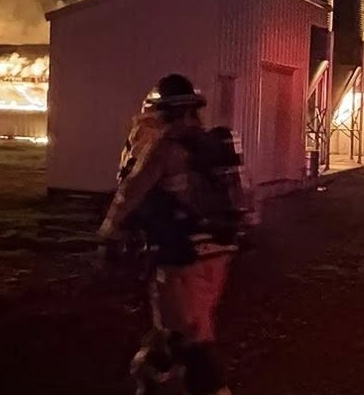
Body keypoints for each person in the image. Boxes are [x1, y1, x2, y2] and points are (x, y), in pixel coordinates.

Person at [99, 73, 252, 395]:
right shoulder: (214, 144)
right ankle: (150, 381)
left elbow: (131, 191)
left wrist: (109, 232)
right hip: (219, 252)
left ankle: (207, 388)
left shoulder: (166, 147)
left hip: (182, 257)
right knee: (174, 328)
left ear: (166, 111)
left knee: (189, 338)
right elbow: (246, 199)